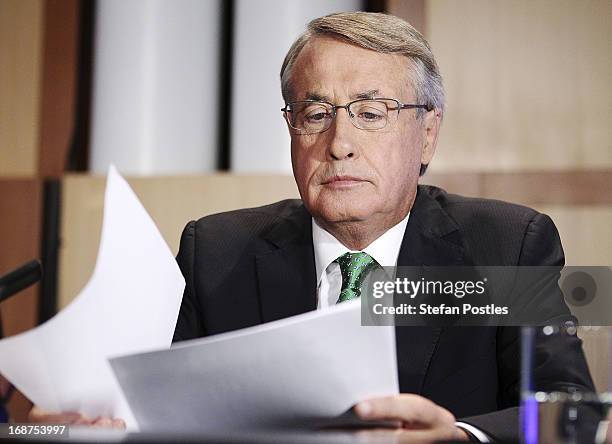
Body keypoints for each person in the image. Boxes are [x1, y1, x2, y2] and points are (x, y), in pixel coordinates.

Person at [32, 11, 594, 442]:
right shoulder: (216, 251)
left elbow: (571, 415)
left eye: (371, 113)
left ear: (428, 133)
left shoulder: (508, 247)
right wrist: (71, 426)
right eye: (315, 115)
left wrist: (459, 437)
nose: (340, 144)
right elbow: (156, 414)